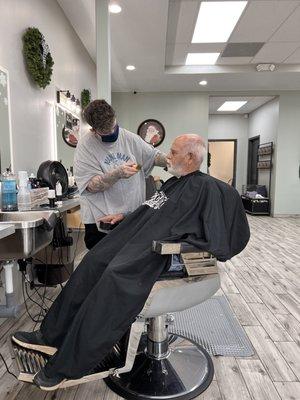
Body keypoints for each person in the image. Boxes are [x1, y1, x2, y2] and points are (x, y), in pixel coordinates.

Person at [12, 134, 250, 390]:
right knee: (94, 260)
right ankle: (51, 334)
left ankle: (71, 363)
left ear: (191, 157)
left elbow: (219, 237)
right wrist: (125, 217)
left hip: (161, 254)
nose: (167, 156)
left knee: (115, 274)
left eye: (173, 152)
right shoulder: (172, 184)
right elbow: (151, 210)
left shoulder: (208, 189)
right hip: (136, 241)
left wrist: (187, 246)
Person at [74, 99, 167, 250]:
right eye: (105, 132)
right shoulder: (85, 146)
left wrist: (171, 160)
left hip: (130, 216)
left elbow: (153, 156)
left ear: (115, 119)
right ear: (93, 130)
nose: (111, 133)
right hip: (100, 218)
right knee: (102, 263)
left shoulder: (130, 139)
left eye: (112, 127)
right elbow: (90, 186)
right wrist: (116, 174)